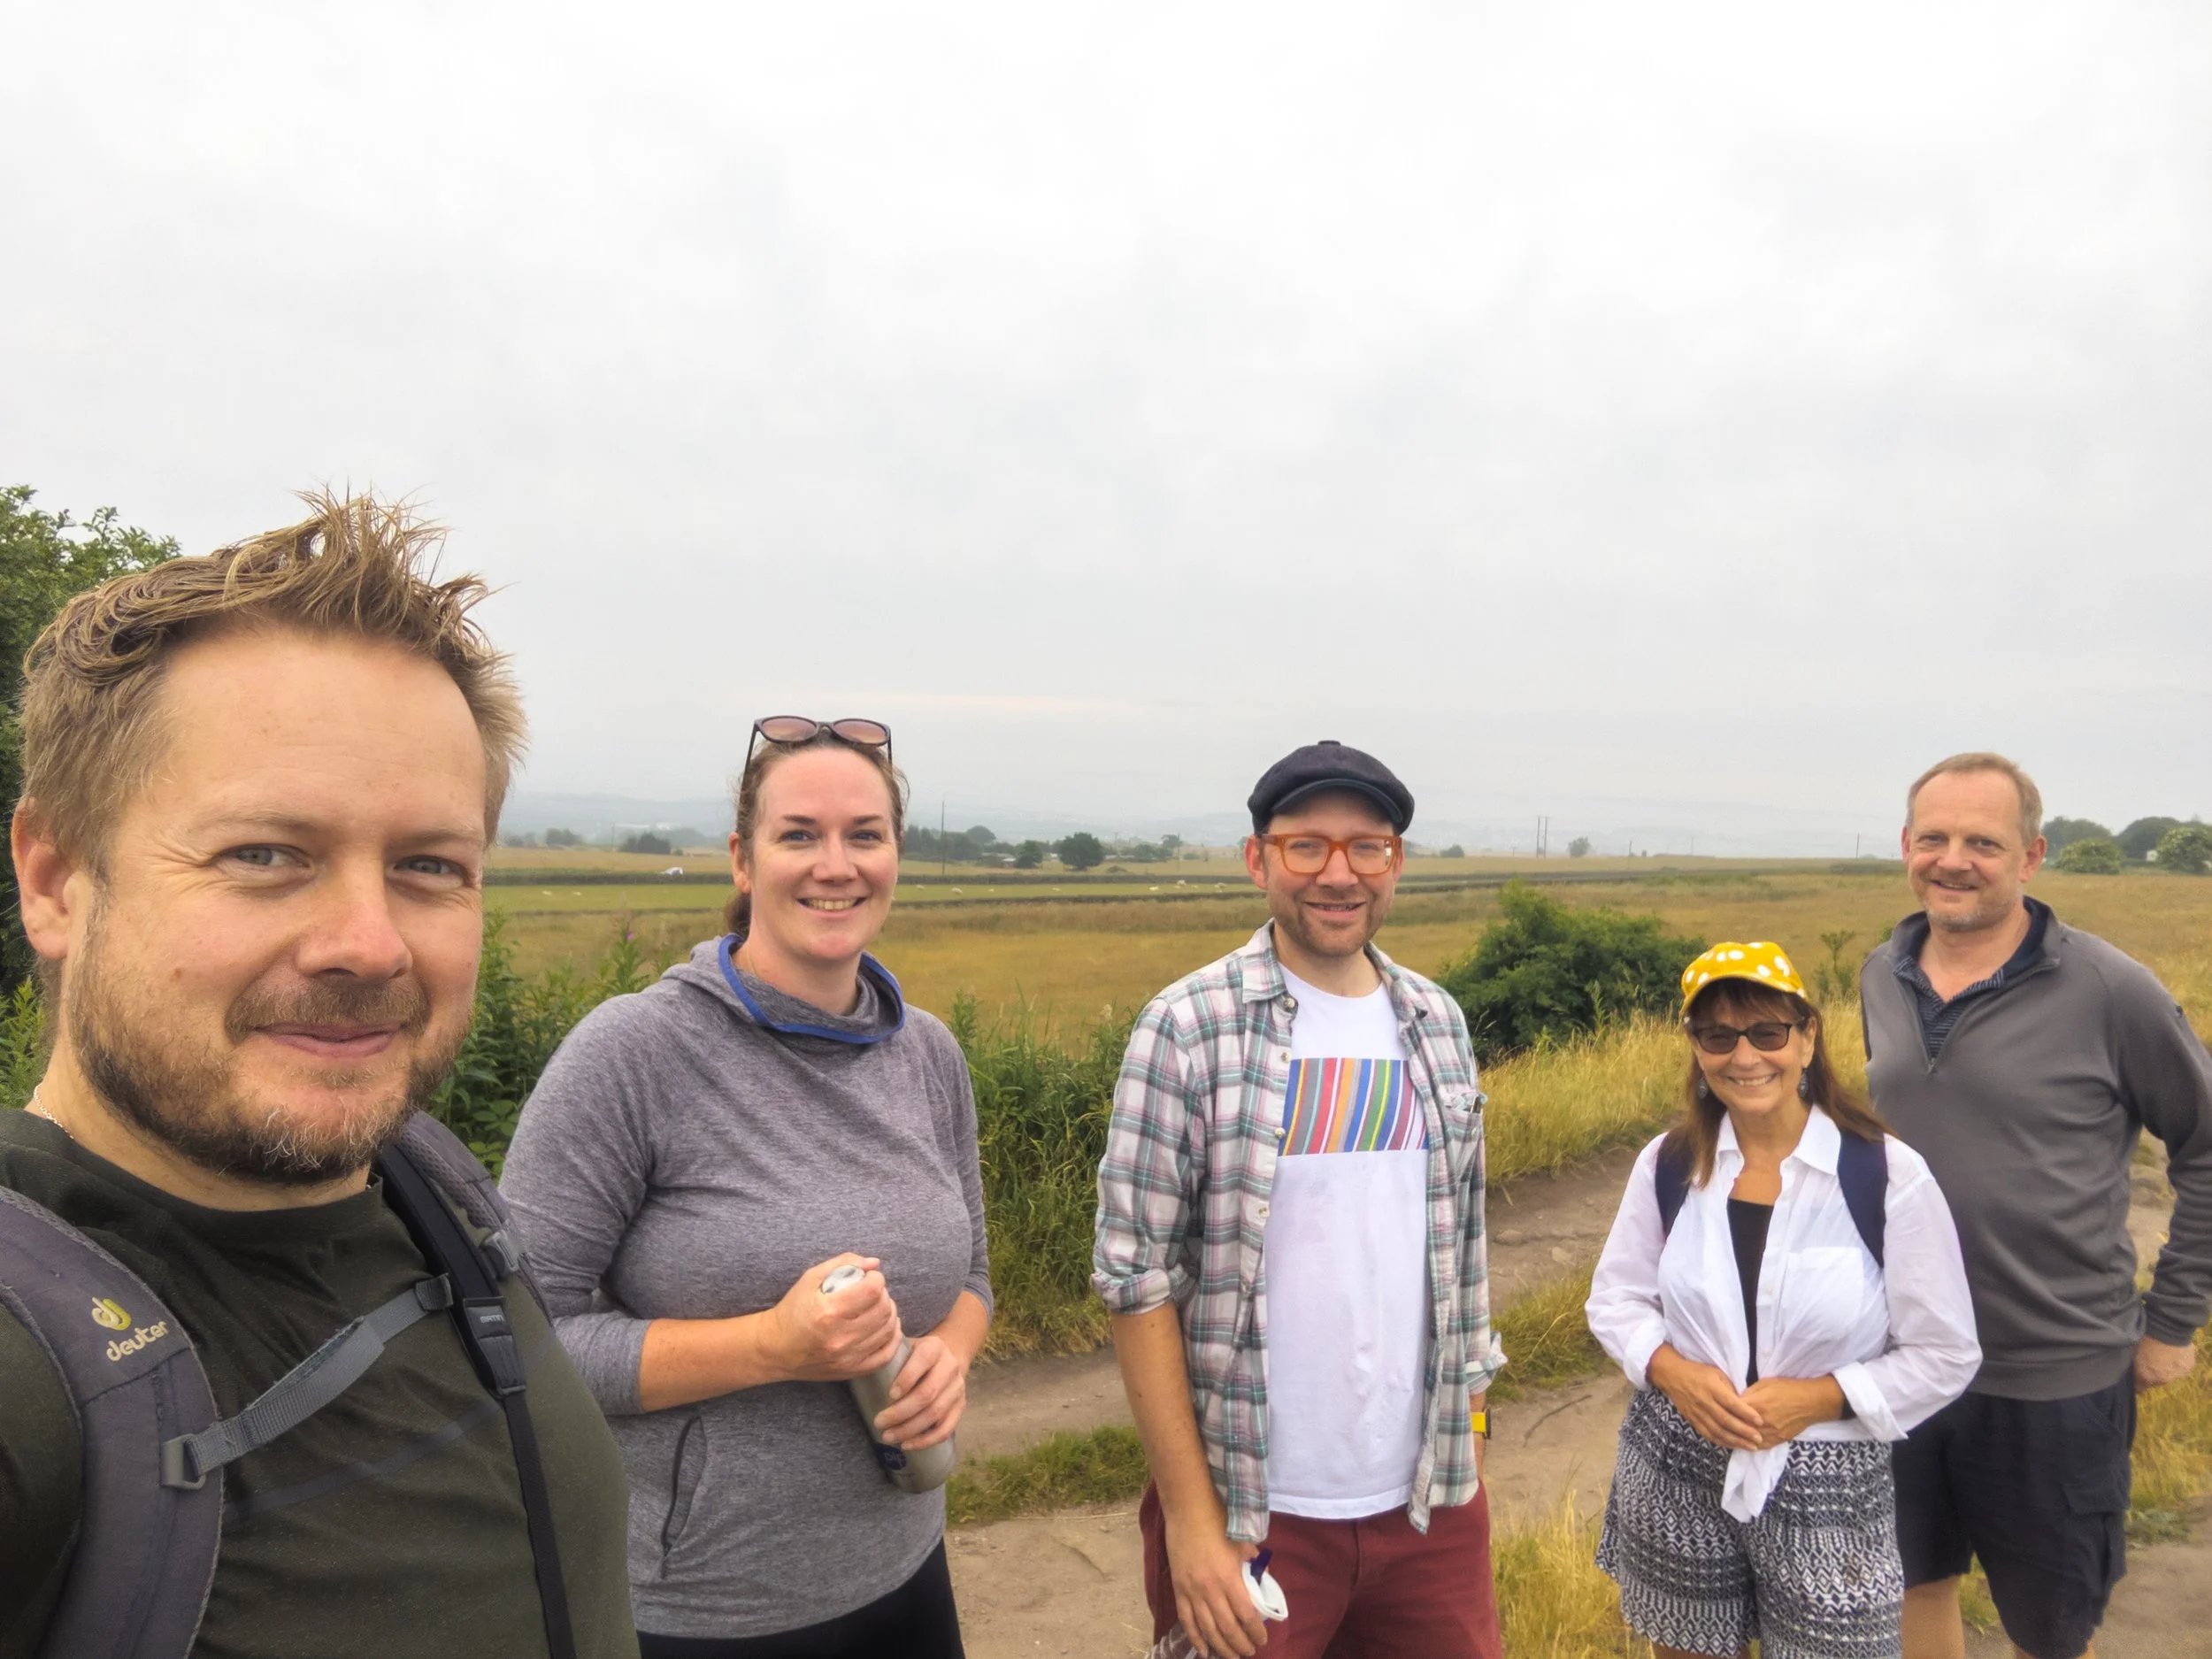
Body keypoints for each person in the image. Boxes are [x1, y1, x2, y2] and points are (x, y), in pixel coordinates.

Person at [0, 494, 637, 1657]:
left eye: (430, 865)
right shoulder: (30, 1365)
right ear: (54, 879)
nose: (371, 942)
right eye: (264, 854)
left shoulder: (434, 1188)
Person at [498, 716, 992, 1659]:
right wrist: (770, 1345)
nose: (834, 865)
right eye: (798, 834)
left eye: (865, 835)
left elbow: (972, 1275)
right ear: (742, 858)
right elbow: (526, 1342)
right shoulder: (635, 1053)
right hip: (701, 1607)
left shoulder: (928, 1053)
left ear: (896, 854)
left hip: (902, 1567)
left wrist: (951, 1357)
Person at [1094, 740, 1505, 1659]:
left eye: (1367, 847)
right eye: (1305, 846)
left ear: (1394, 863)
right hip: (1253, 1508)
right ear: (1258, 859)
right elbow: (1136, 1284)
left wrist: (1470, 1427)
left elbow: (1461, 1249)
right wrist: (1194, 1529)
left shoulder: (1436, 1022)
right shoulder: (1186, 1027)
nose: (1338, 873)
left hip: (1426, 1505)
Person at [1863, 753, 2212, 1659]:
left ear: (2030, 856)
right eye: (1933, 838)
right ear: (1905, 846)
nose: (1953, 859)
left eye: (1983, 841)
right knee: (1909, 1581)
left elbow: (2206, 1149)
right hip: (1898, 1361)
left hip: (2054, 1371)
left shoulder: (2108, 989)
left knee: (2049, 1627)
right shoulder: (1879, 974)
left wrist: (2172, 1320)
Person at [1587, 941, 1980, 1659]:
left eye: (1768, 1032)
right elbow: (1615, 1297)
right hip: (1678, 1457)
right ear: (1696, 1048)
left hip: (1830, 1479)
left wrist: (1823, 1396)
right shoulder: (1670, 1163)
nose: (1745, 1056)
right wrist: (1674, 1371)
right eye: (1718, 1035)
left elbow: (1947, 1351)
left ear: (1807, 1037)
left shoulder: (1885, 1174)